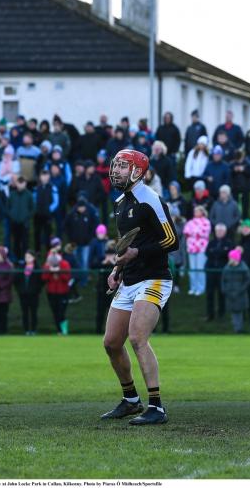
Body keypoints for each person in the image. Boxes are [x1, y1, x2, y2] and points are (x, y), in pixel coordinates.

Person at [102, 149, 179, 425]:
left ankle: (157, 407)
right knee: (111, 343)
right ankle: (131, 400)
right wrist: (117, 270)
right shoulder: (120, 202)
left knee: (137, 337)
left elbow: (172, 240)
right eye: (117, 165)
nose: (117, 170)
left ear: (137, 171)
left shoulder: (150, 199)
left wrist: (137, 253)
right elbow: (126, 245)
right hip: (131, 279)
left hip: (154, 277)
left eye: (123, 166)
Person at [205, 222, 234, 321]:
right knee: (210, 294)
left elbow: (227, 254)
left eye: (221, 231)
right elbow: (208, 253)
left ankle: (221, 315)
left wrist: (217, 252)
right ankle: (210, 315)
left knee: (222, 294)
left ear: (225, 232)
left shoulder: (229, 243)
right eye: (218, 230)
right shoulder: (211, 242)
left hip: (222, 272)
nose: (219, 232)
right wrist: (221, 252)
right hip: (211, 271)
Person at [42, 247, 72, 334]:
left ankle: (64, 330)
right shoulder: (47, 265)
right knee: (55, 312)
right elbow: (44, 278)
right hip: (51, 292)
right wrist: (50, 271)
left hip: (63, 292)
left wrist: (59, 271)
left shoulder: (64, 264)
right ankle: (59, 330)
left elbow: (67, 278)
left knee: (61, 312)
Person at [221, 248, 250, 333]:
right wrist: (225, 290)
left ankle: (238, 328)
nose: (230, 260)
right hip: (230, 293)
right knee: (234, 312)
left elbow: (247, 280)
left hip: (240, 294)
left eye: (232, 258)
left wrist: (240, 290)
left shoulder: (243, 268)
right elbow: (223, 280)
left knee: (239, 312)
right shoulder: (226, 268)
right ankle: (237, 328)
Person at [183, 205, 211, 296]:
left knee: (200, 269)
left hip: (202, 248)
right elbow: (186, 231)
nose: (195, 212)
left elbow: (205, 233)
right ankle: (193, 288)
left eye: (197, 211)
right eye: (195, 211)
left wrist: (194, 232)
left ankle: (201, 288)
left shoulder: (206, 222)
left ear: (202, 212)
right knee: (192, 269)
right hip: (191, 248)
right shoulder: (190, 222)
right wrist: (196, 232)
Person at [15, 250, 43, 335]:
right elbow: (16, 280)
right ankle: (26, 330)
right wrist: (20, 290)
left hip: (34, 294)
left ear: (34, 258)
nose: (27, 258)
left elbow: (41, 281)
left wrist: (37, 290)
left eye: (29, 257)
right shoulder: (21, 267)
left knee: (33, 313)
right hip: (23, 294)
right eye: (26, 257)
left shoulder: (37, 268)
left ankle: (33, 330)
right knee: (25, 313)